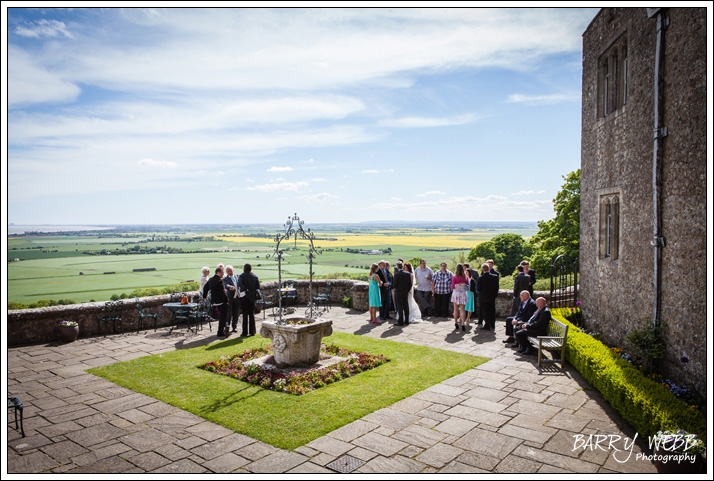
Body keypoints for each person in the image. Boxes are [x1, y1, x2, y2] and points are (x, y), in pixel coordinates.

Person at [202, 266, 229, 337]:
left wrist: (205, 296)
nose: (223, 274)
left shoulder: (211, 280)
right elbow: (222, 292)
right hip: (221, 301)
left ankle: (221, 330)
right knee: (223, 317)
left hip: (214, 301)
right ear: (218, 272)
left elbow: (205, 288)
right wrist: (226, 300)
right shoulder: (220, 281)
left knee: (221, 316)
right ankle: (220, 332)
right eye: (222, 272)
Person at [237, 263, 260, 337]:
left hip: (244, 297)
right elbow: (258, 287)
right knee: (251, 314)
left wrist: (245, 289)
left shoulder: (242, 276)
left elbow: (239, 283)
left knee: (245, 315)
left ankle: (245, 332)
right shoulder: (255, 276)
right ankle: (252, 331)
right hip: (252, 297)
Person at [477, 263, 499, 330]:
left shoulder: (481, 278)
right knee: (492, 310)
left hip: (483, 297)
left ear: (482, 269)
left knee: (485, 311)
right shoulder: (494, 277)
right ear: (488, 269)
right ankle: (492, 324)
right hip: (492, 297)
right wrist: (495, 295)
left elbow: (478, 288)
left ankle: (487, 325)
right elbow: (497, 287)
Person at [392, 261, 412, 326]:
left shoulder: (397, 275)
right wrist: (407, 290)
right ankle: (407, 321)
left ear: (397, 267)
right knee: (406, 307)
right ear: (402, 266)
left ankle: (400, 321)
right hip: (405, 292)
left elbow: (394, 285)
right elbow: (410, 284)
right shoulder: (407, 274)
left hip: (398, 293)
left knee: (400, 307)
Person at [223, 265, 241, 333]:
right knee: (229, 313)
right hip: (230, 298)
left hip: (238, 297)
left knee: (236, 312)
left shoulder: (237, 276)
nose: (229, 272)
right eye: (228, 271)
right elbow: (226, 285)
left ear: (233, 270)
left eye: (230, 270)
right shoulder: (225, 279)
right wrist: (230, 287)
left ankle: (234, 326)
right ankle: (227, 326)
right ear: (226, 272)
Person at [451, 264, 469, 331]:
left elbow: (452, 287)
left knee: (455, 309)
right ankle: (463, 324)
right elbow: (468, 286)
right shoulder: (465, 277)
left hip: (456, 293)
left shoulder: (454, 277)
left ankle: (456, 323)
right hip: (463, 293)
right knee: (462, 310)